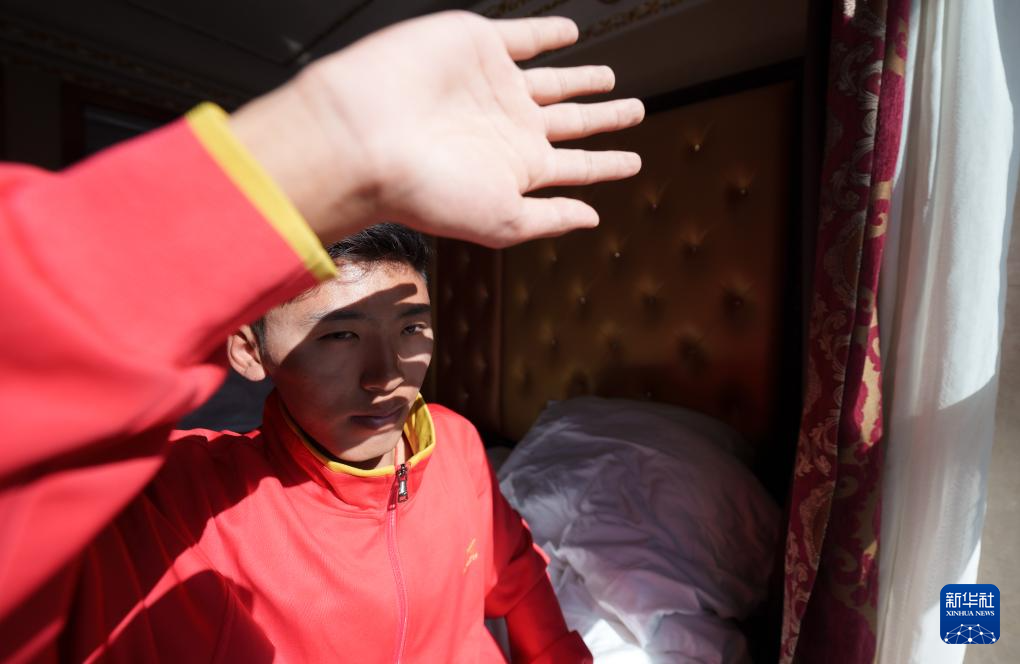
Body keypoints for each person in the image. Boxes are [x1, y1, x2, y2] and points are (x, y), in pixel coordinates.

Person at [0, 10, 643, 662]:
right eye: (339, 337)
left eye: (412, 327)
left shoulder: (455, 442)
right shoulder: (178, 509)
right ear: (248, 348)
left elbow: (516, 573)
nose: (386, 375)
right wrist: (324, 145)